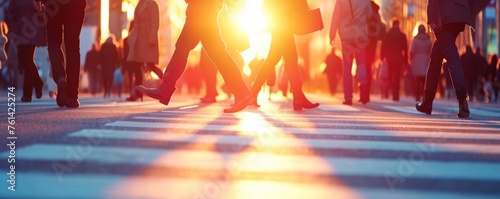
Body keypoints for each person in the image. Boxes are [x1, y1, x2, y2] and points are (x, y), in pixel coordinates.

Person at [137, 0, 253, 113]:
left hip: (201, 9)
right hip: (204, 9)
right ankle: (241, 92)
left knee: (184, 47)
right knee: (215, 53)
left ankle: (166, 89)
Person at [248, 0, 319, 111]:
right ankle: (298, 97)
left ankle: (253, 93)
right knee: (289, 60)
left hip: (278, 23)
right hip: (285, 22)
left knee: (278, 59)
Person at [416, 0, 471, 118]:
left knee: (452, 58)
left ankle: (463, 102)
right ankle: (427, 102)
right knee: (436, 59)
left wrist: (431, 18)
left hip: (445, 17)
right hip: (459, 14)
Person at [34, 0, 86, 108]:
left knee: (54, 43)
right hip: (76, 4)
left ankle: (60, 77)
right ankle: (72, 97)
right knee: (73, 47)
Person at [330, 0, 371, 105]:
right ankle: (364, 91)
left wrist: (332, 34)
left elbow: (336, 17)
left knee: (347, 67)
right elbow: (369, 14)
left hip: (346, 36)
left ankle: (348, 97)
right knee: (361, 63)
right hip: (360, 35)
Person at [8, 0, 47, 102]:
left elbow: (43, 10)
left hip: (32, 30)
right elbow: (10, 11)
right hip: (20, 30)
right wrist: (13, 17)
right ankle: (38, 83)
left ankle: (27, 94)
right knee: (23, 61)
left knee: (28, 60)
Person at [126, 0, 163, 102]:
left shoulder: (152, 4)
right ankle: (137, 92)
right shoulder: (139, 4)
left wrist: (152, 37)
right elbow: (136, 24)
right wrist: (131, 36)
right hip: (138, 40)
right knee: (136, 65)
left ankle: (166, 82)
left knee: (150, 65)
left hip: (147, 39)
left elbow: (155, 23)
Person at [380, 19, 408, 102]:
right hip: (399, 59)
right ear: (398, 25)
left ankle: (393, 90)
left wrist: (382, 57)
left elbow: (383, 47)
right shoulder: (402, 35)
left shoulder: (388, 34)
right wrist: (406, 61)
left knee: (389, 76)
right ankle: (396, 93)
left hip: (389, 59)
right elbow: (405, 49)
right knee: (397, 76)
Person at [409, 24, 432, 102]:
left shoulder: (415, 39)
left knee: (417, 79)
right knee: (424, 79)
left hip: (417, 60)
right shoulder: (428, 40)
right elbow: (431, 50)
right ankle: (423, 94)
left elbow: (412, 51)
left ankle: (417, 94)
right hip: (426, 59)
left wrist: (410, 59)